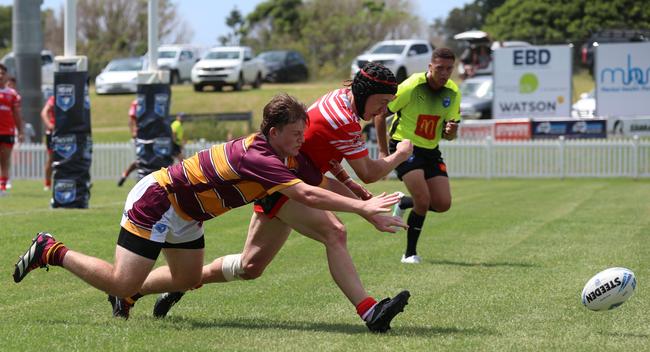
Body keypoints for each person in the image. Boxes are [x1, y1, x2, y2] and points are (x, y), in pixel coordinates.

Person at [12, 93, 403, 331]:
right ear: (274, 131)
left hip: (187, 214)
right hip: (158, 201)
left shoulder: (276, 153)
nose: (302, 141)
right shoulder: (261, 157)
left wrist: (358, 197)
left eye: (304, 133)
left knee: (188, 279)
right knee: (121, 281)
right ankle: (51, 250)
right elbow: (309, 195)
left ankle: (129, 297)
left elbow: (314, 185)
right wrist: (362, 205)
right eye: (297, 134)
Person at [146, 62, 414, 333]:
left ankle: (166, 286)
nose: (383, 111)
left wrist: (348, 183)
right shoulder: (344, 119)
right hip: (284, 181)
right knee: (335, 232)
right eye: (381, 103)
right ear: (365, 92)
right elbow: (369, 172)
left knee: (250, 266)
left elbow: (322, 150)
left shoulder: (341, 101)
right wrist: (400, 154)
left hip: (293, 177)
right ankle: (370, 311)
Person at [374, 48, 461, 264]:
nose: (444, 73)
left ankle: (404, 203)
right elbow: (379, 114)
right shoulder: (412, 85)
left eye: (449, 69)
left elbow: (449, 135)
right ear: (430, 66)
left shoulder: (453, 92)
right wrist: (384, 151)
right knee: (423, 201)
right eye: (439, 68)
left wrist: (451, 133)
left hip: (431, 151)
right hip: (405, 147)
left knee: (442, 204)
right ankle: (409, 254)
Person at [0, 64, 24, 195]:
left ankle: (2, 187)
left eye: (3, 73)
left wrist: (20, 131)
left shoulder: (12, 94)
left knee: (4, 160)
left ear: (6, 76)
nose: (0, 75)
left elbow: (16, 114)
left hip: (7, 131)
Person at [117, 99, 139, 187]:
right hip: (140, 137)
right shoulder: (137, 103)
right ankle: (125, 174)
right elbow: (131, 120)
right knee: (140, 161)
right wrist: (133, 132)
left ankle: (125, 175)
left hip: (153, 137)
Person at [40, 95, 56, 190]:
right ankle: (47, 183)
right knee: (51, 158)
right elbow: (44, 112)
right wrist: (49, 124)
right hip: (53, 132)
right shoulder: (53, 98)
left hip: (66, 132)